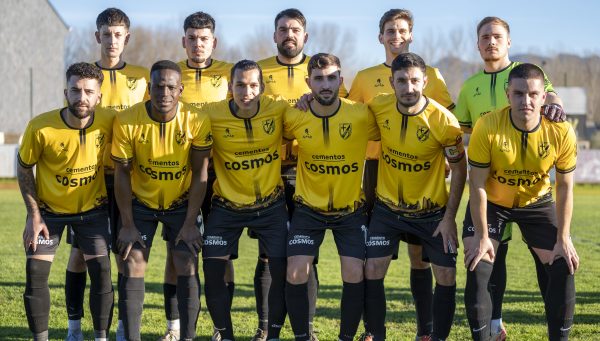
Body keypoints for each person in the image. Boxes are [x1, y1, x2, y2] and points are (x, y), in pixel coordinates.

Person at [454, 16, 565, 340]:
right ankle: (493, 325)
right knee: (491, 254)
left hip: (533, 190)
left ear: (509, 42)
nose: (491, 41)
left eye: (497, 36)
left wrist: (556, 106)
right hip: (490, 192)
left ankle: (555, 326)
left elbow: (553, 99)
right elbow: (461, 135)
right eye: (485, 37)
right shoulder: (469, 85)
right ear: (478, 44)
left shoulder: (528, 75)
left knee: (548, 262)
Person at [348, 9, 455, 339]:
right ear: (380, 37)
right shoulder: (365, 78)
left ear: (411, 35)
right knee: (372, 261)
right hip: (375, 175)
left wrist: (449, 156)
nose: (396, 36)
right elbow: (348, 116)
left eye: (402, 31)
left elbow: (446, 120)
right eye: (390, 31)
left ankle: (427, 330)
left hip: (423, 177)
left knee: (419, 259)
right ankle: (372, 330)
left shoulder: (433, 75)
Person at [257, 10, 348, 340]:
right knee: (269, 255)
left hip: (309, 172)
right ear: (274, 35)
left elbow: (340, 115)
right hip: (269, 172)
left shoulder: (323, 72)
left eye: (295, 29)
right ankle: (265, 327)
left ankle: (305, 330)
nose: (289, 34)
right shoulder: (259, 72)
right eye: (282, 29)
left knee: (304, 256)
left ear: (305, 36)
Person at [363, 53, 467, 341]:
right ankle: (376, 334)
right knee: (372, 268)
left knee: (446, 276)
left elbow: (459, 170)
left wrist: (449, 219)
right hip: (387, 210)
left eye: (414, 81)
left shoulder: (444, 121)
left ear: (425, 81)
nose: (409, 88)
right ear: (390, 82)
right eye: (402, 81)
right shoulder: (378, 108)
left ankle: (436, 337)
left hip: (432, 213)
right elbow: (343, 114)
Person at [62, 8, 150, 341]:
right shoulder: (83, 78)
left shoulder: (142, 78)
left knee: (127, 254)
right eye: (106, 33)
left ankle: (124, 327)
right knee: (82, 256)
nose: (112, 40)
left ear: (126, 38)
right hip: (91, 180)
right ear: (97, 36)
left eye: (118, 34)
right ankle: (74, 328)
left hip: (130, 179)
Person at [111, 60, 212, 341]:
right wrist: (128, 223)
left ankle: (186, 337)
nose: (164, 93)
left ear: (180, 89)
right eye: (158, 86)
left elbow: (200, 173)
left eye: (170, 87)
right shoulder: (127, 120)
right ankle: (131, 337)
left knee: (187, 262)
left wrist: (191, 222)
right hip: (141, 203)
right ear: (148, 88)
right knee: (132, 261)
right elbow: (122, 173)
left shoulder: (197, 120)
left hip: (181, 203)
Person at [18, 62, 115, 341]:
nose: (81, 97)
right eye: (75, 90)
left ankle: (100, 337)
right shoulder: (40, 127)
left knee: (102, 271)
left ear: (99, 97)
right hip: (50, 214)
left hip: (93, 212)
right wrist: (33, 214)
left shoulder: (110, 120)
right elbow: (24, 167)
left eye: (88, 91)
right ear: (66, 92)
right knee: (36, 271)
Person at [284, 53, 371, 341]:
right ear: (308, 82)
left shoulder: (360, 114)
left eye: (331, 78)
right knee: (296, 271)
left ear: (340, 81)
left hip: (350, 210)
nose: (325, 84)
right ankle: (303, 337)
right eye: (319, 79)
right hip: (309, 209)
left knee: (354, 271)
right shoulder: (295, 116)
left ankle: (346, 337)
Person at [201, 59, 290, 341]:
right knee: (213, 271)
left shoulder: (278, 109)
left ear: (262, 88)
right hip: (226, 208)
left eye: (253, 85)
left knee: (281, 271)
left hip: (271, 207)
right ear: (230, 87)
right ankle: (225, 336)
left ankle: (272, 335)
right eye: (240, 85)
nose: (246, 91)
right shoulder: (211, 115)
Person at [158, 11, 233, 341]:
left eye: (204, 39)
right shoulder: (172, 74)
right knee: (177, 254)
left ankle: (221, 327)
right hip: (180, 176)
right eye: (192, 38)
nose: (197, 44)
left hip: (222, 176)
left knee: (222, 253)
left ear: (213, 42)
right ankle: (174, 327)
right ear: (183, 40)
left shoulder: (231, 74)